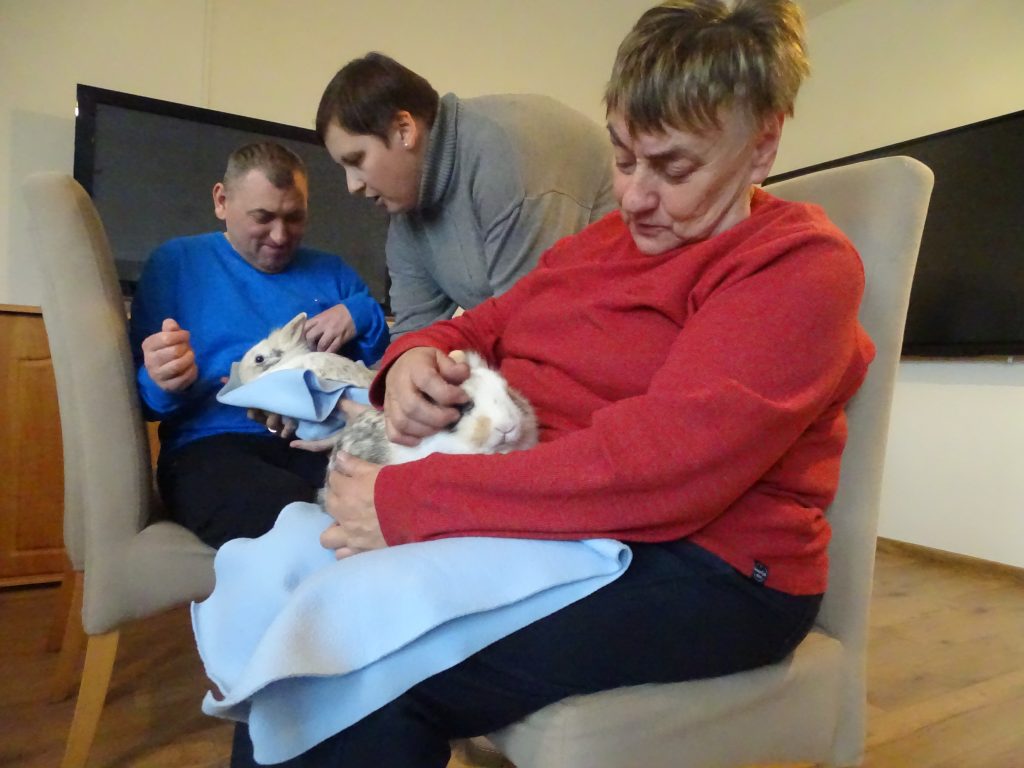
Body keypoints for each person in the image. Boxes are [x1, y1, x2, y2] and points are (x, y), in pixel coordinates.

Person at [231, 0, 875, 764]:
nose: (634, 196)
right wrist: (411, 361)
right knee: (294, 610)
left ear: (762, 146)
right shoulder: (600, 244)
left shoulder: (798, 265)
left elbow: (661, 469)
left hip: (715, 566)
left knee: (360, 664)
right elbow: (477, 326)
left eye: (674, 168)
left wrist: (411, 504)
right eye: (624, 158)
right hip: (561, 515)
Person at [129, 141, 390, 549]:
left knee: (393, 502)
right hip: (213, 447)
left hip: (323, 443)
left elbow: (382, 382)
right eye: (263, 218)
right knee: (299, 521)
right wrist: (162, 380)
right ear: (222, 201)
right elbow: (145, 402)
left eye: (294, 218)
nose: (280, 236)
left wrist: (363, 313)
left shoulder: (333, 273)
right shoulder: (176, 264)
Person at [315, 52, 617, 337]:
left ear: (404, 130)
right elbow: (413, 336)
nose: (352, 186)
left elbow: (529, 331)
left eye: (356, 160)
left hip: (616, 333)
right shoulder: (407, 212)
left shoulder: (503, 158)